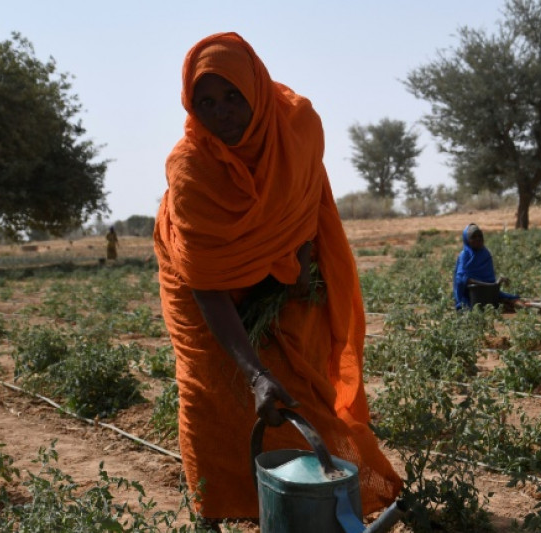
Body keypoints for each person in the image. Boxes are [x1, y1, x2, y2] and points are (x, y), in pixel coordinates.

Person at [153, 33, 401, 523]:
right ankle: (215, 512)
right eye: (206, 103)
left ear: (256, 88)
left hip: (284, 264)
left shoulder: (298, 125)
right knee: (213, 392)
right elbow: (207, 286)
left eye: (231, 96)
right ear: (191, 106)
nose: (222, 112)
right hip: (200, 285)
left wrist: (302, 264)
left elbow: (302, 200)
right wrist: (256, 374)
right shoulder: (191, 169)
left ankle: (322, 502)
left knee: (300, 389)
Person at [453, 223, 541, 313]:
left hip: (488, 292)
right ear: (467, 240)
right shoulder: (464, 255)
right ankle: (540, 306)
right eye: (473, 237)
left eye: (480, 236)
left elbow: (488, 278)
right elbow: (463, 280)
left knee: (511, 300)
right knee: (507, 305)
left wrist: (494, 284)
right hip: (471, 297)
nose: (478, 239)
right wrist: (492, 285)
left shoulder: (485, 254)